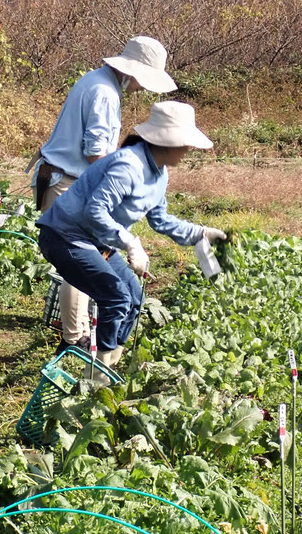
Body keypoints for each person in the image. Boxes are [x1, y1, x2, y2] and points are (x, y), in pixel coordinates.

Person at [36, 101, 226, 381]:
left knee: (134, 299)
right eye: (184, 144)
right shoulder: (129, 165)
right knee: (115, 298)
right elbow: (95, 211)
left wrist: (199, 233)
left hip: (96, 241)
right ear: (167, 141)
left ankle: (108, 366)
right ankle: (95, 379)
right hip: (65, 236)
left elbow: (160, 220)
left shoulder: (159, 172)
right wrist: (130, 242)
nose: (187, 151)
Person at [27, 36, 177, 354]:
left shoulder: (97, 80)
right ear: (134, 72)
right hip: (66, 181)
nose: (143, 89)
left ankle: (77, 332)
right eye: (145, 81)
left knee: (85, 260)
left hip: (63, 176)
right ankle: (74, 338)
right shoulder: (105, 93)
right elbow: (95, 151)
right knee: (79, 262)